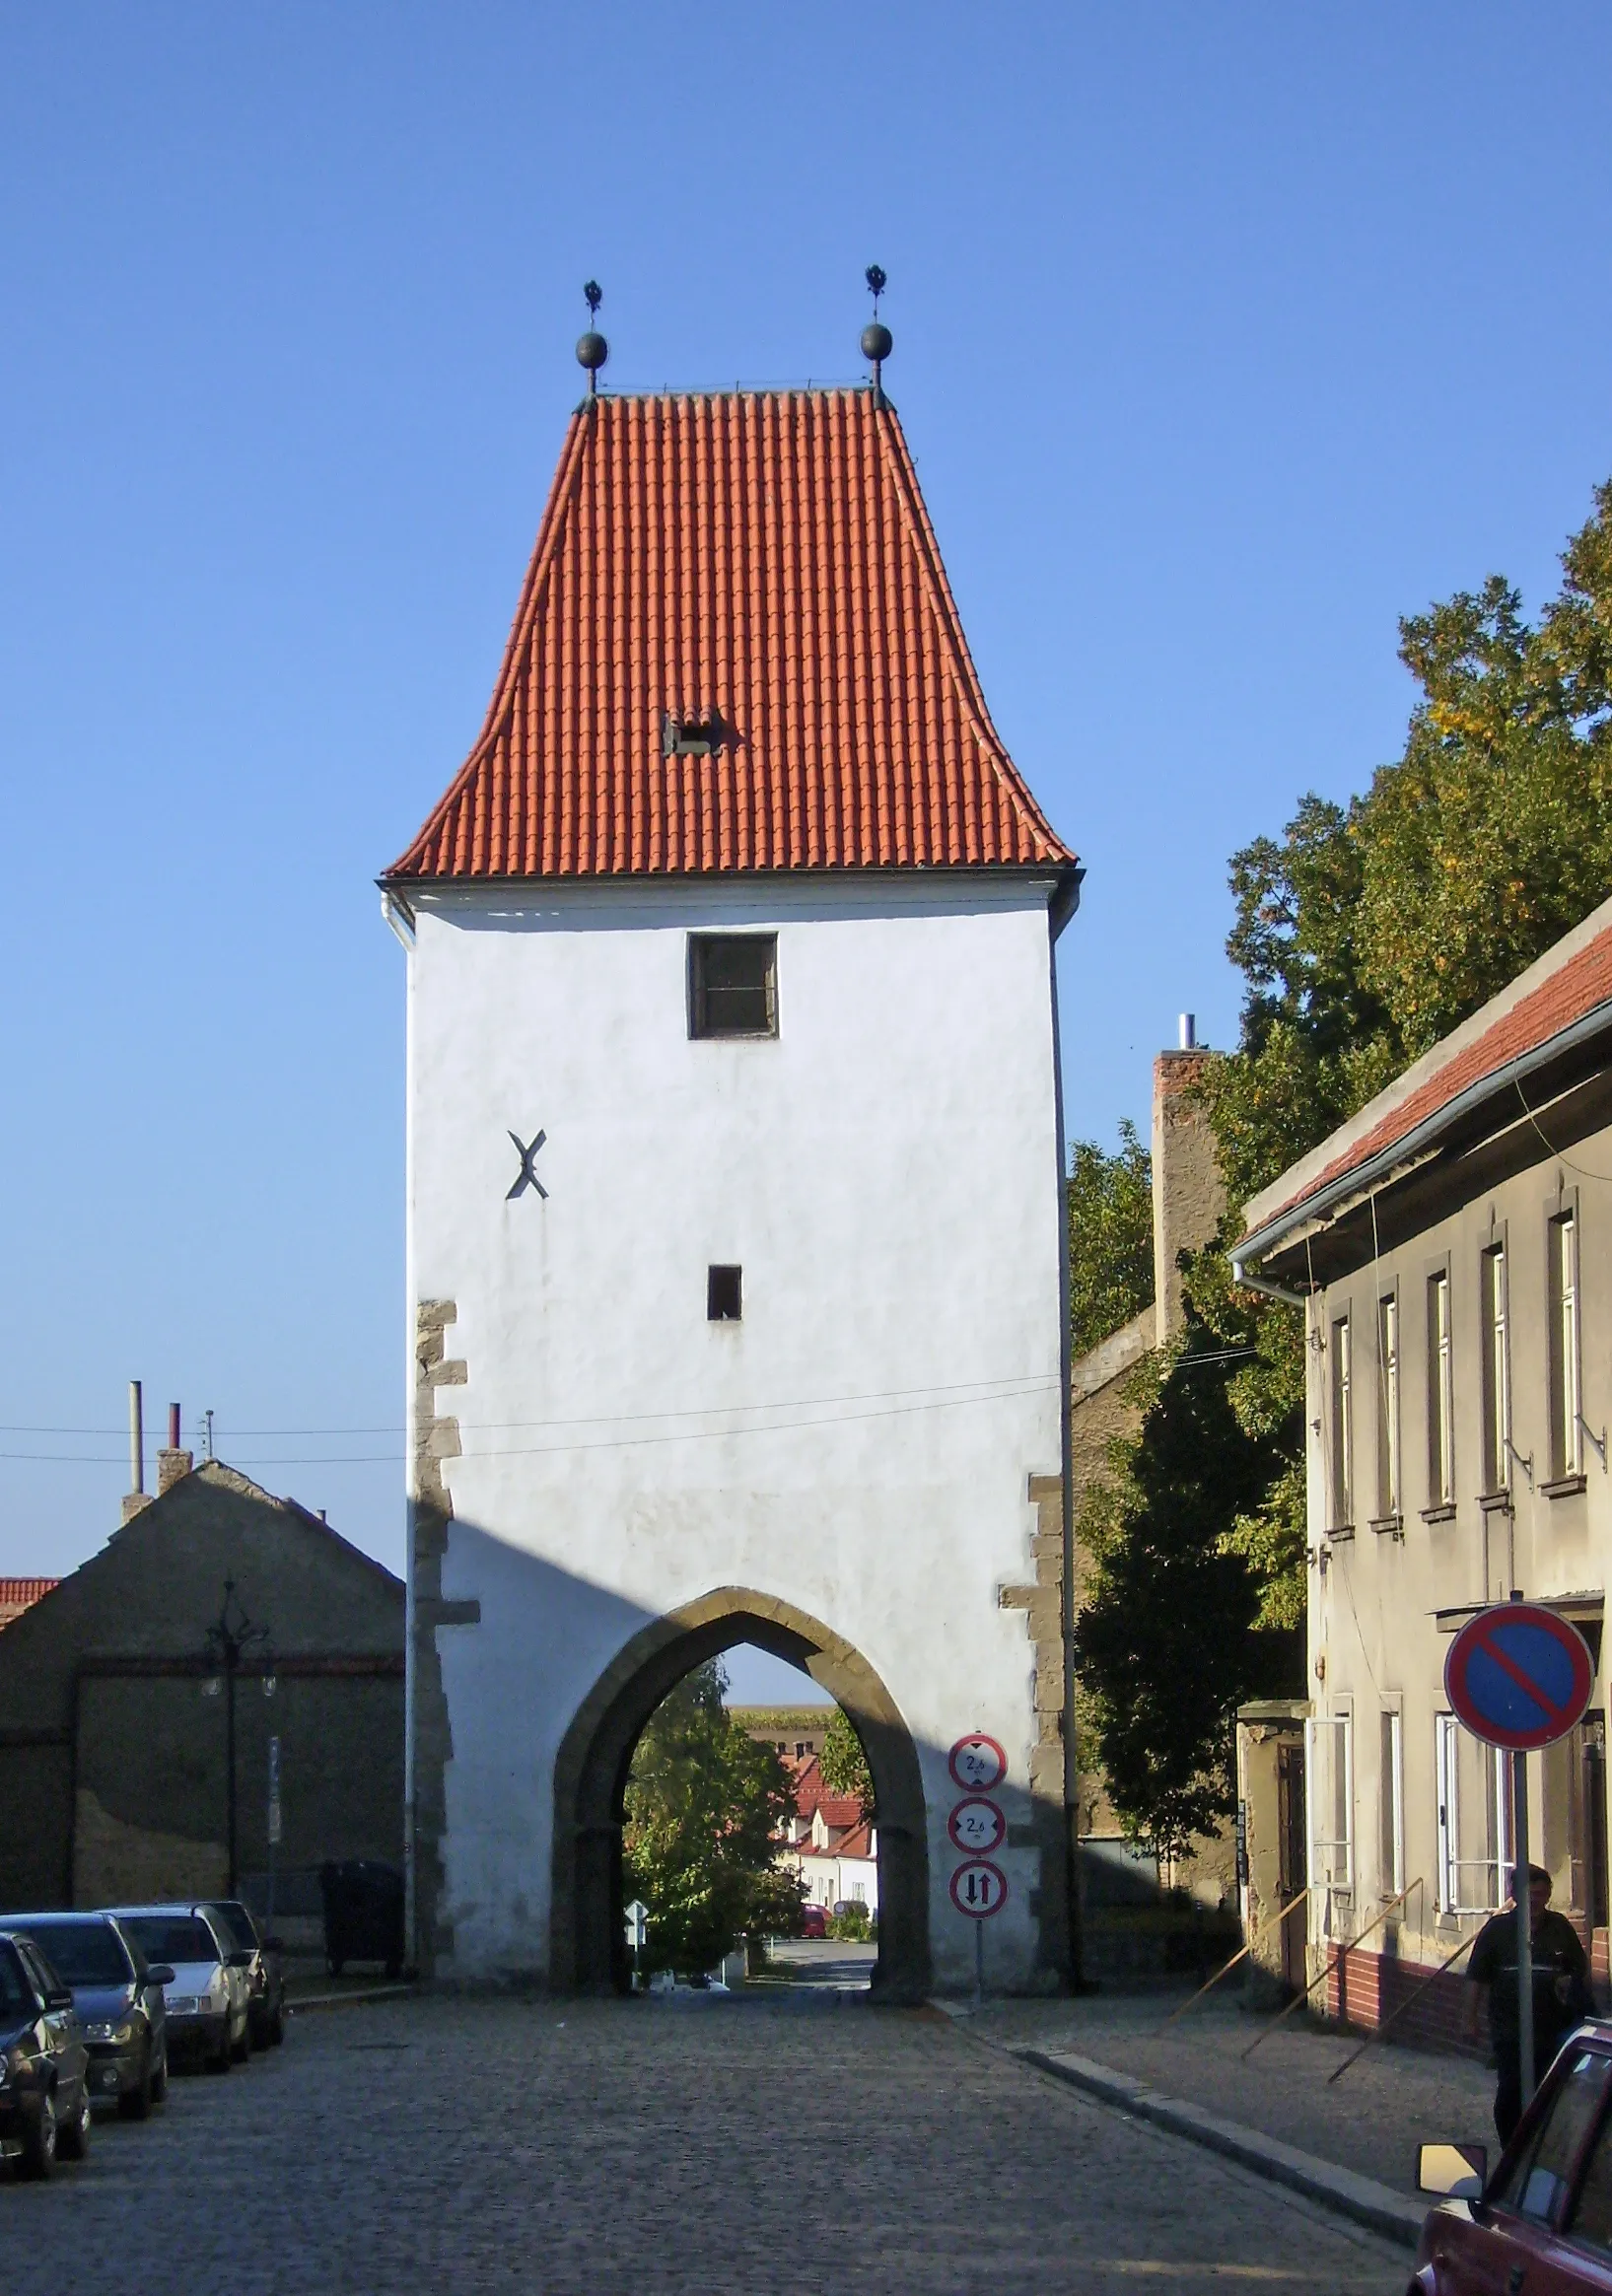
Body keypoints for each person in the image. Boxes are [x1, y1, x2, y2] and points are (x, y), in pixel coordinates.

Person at [1465, 1862, 1592, 2144]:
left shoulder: (1559, 1927)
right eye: (1528, 1894)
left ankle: (1544, 2146)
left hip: (1554, 2027)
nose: (1534, 1900)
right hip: (1510, 2029)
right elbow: (1476, 1977)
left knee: (1550, 2092)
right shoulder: (1497, 1931)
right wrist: (1470, 2020)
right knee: (1511, 2092)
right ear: (1514, 1895)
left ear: (1547, 1895)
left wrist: (1572, 1987)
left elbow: (1580, 1970)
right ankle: (1512, 2149)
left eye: (1540, 1893)